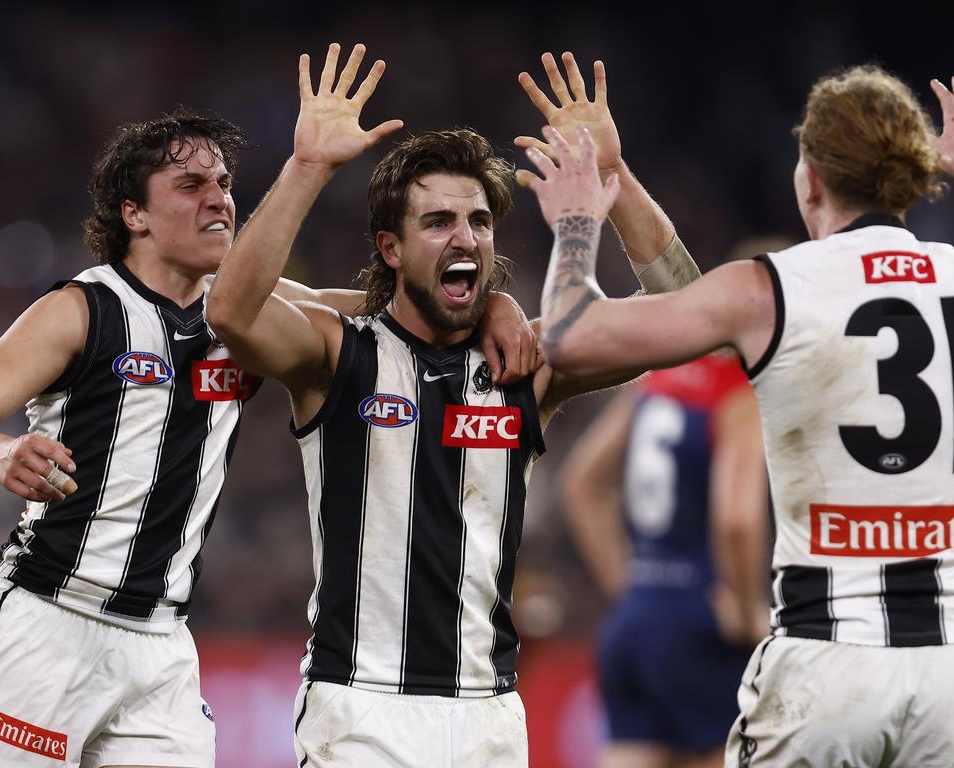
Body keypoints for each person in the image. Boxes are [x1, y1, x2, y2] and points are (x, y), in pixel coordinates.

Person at [0, 104, 532, 766]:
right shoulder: (82, 309)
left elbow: (401, 307)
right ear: (134, 214)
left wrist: (495, 302)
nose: (217, 200)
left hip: (161, 644)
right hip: (49, 613)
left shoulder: (246, 308)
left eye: (222, 184)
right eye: (190, 188)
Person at [205, 44, 700, 767]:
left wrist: (615, 181)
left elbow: (687, 319)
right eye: (437, 222)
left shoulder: (528, 363)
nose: (464, 236)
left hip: (487, 716)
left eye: (478, 221)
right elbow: (233, 313)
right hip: (361, 709)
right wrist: (307, 166)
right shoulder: (340, 353)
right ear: (391, 248)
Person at [528, 66, 954, 766]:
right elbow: (705, 316)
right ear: (915, 175)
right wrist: (623, 175)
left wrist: (579, 218)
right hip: (949, 671)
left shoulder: (772, 288)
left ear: (809, 178)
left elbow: (571, 335)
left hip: (826, 666)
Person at [561, 354, 768, 768]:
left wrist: (635, 590)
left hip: (634, 626)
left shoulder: (658, 375)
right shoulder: (737, 386)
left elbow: (580, 483)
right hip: (706, 625)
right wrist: (748, 615)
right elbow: (737, 520)